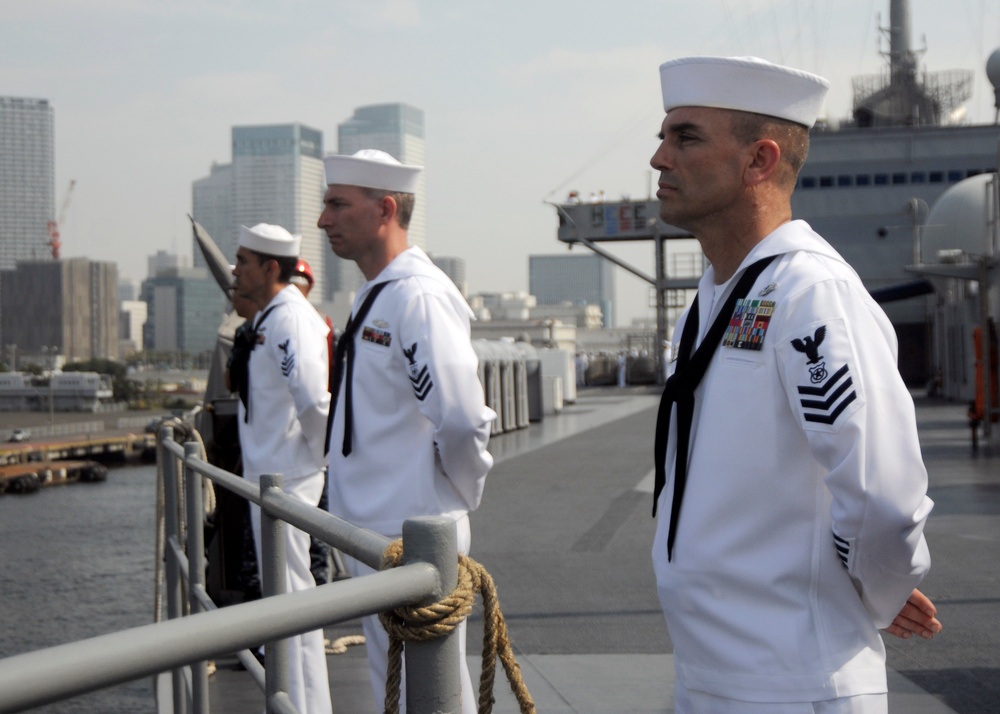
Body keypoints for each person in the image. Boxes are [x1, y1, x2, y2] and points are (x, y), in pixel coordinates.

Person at [648, 56, 940, 713]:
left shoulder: (812, 293)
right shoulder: (714, 299)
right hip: (709, 675)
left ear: (759, 161)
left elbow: (883, 497)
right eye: (664, 136)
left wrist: (878, 594)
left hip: (791, 685)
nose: (659, 158)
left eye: (685, 137)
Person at [318, 149, 495, 713]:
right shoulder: (378, 294)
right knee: (406, 692)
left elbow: (463, 418)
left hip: (411, 539)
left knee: (432, 694)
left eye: (337, 205)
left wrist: (453, 502)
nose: (323, 220)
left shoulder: (416, 295)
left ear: (384, 209)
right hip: (378, 538)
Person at [231, 223, 333, 714]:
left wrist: (315, 461)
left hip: (286, 481)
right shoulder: (269, 318)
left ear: (270, 268)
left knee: (295, 609)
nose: (234, 270)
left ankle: (309, 708)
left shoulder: (291, 318)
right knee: (286, 605)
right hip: (269, 480)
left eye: (243, 261)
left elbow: (313, 400)